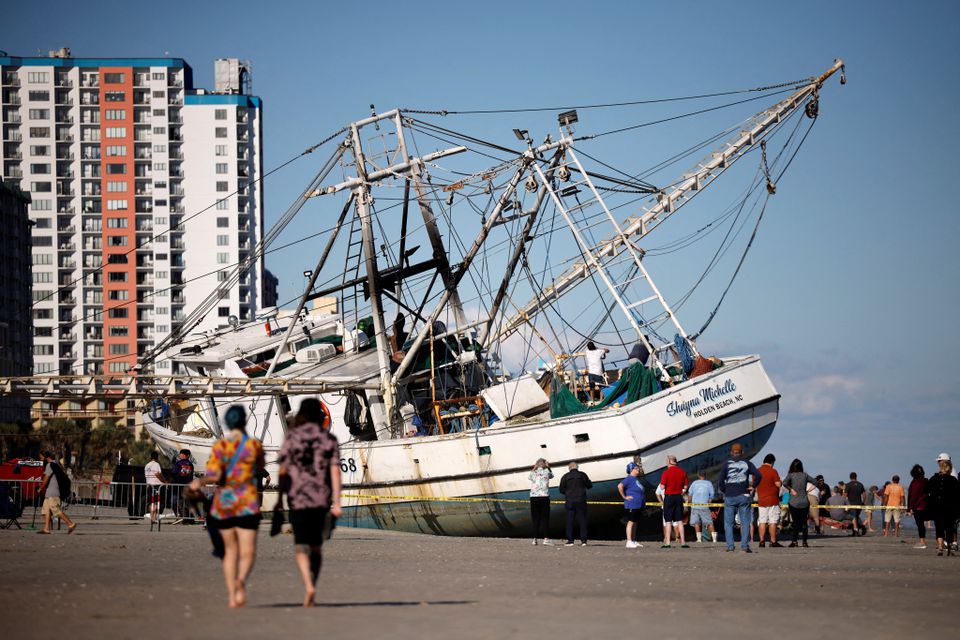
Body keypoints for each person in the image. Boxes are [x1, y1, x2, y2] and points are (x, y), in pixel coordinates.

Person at [189, 405, 265, 608]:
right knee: (248, 551)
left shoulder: (220, 446)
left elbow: (213, 475)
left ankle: (232, 596)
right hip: (247, 503)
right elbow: (259, 468)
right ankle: (241, 581)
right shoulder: (254, 445)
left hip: (224, 505)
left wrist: (199, 482)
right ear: (244, 421)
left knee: (230, 552)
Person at [278, 398, 343, 607]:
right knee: (316, 547)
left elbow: (282, 470)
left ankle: (308, 585)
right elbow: (335, 471)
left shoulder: (292, 438)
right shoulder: (329, 439)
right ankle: (314, 580)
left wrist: (279, 499)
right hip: (321, 500)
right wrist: (337, 503)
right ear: (320, 415)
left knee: (300, 546)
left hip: (297, 499)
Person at [718, 443, 761, 552]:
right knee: (745, 522)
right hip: (743, 495)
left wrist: (725, 491)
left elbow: (720, 482)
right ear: (742, 452)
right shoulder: (747, 463)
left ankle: (730, 547)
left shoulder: (726, 464)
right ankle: (745, 546)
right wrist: (753, 486)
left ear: (731, 453)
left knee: (728, 523)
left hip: (730, 496)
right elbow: (759, 475)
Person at [925, 453, 959, 556]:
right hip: (949, 507)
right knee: (949, 526)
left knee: (939, 527)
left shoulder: (934, 478)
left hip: (936, 506)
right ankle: (949, 546)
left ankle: (940, 547)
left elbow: (926, 489)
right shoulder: (953, 480)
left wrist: (931, 498)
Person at [36, 451, 76, 535]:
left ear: (46, 457)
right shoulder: (55, 465)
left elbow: (46, 479)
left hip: (53, 492)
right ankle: (46, 529)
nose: (40, 459)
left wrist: (40, 488)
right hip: (49, 492)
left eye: (41, 458)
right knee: (46, 510)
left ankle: (70, 524)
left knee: (55, 510)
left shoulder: (50, 465)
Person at [781, 459, 817, 548]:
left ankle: (794, 541)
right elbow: (816, 482)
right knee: (804, 522)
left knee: (796, 523)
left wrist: (791, 489)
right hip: (804, 501)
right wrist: (808, 490)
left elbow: (784, 483)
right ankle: (804, 542)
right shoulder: (805, 475)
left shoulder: (791, 475)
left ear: (792, 466)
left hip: (794, 502)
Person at [658, 454, 688, 548]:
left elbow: (662, 487)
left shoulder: (666, 473)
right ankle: (683, 542)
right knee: (679, 520)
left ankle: (667, 543)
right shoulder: (683, 472)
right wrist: (681, 493)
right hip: (679, 497)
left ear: (669, 462)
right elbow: (686, 487)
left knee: (668, 521)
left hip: (669, 497)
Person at [559, 461, 592, 546]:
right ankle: (583, 541)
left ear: (569, 468)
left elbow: (561, 490)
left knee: (569, 521)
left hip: (570, 501)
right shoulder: (582, 475)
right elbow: (589, 486)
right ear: (577, 467)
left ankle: (570, 541)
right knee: (582, 520)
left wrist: (568, 493)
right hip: (581, 500)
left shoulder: (565, 476)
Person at [755, 453, 783, 548]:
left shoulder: (757, 471)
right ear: (772, 462)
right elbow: (778, 484)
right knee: (772, 521)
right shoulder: (773, 471)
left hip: (761, 500)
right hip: (772, 500)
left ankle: (761, 541)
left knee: (762, 521)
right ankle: (773, 541)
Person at [618, 462, 645, 548]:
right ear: (631, 470)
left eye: (638, 468)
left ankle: (633, 540)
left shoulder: (635, 479)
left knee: (635, 522)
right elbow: (620, 486)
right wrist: (624, 497)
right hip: (632, 504)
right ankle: (629, 541)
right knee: (631, 522)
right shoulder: (629, 478)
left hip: (638, 504)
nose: (638, 469)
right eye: (636, 468)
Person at [529, 458, 554, 546]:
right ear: (544, 464)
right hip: (544, 497)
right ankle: (546, 538)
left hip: (533, 497)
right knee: (545, 518)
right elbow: (552, 476)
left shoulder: (533, 473)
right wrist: (548, 467)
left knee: (535, 518)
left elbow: (529, 477)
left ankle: (535, 539)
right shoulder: (547, 471)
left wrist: (534, 467)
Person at [687, 469, 717, 543]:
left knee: (696, 523)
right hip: (704, 506)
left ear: (698, 475)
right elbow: (712, 495)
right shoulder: (709, 483)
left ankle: (699, 539)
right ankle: (714, 539)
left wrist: (689, 502)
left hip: (695, 506)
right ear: (705, 475)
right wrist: (709, 501)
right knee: (709, 523)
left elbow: (690, 495)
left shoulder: (694, 483)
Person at [907, 464, 929, 549]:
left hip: (919, 506)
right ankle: (941, 543)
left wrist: (910, 508)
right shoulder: (926, 481)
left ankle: (922, 542)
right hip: (927, 505)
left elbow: (913, 496)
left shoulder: (916, 482)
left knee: (920, 525)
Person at [171, 449, 195, 519]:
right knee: (186, 503)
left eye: (180, 454)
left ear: (183, 455)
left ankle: (179, 516)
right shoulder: (191, 465)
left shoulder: (178, 463)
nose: (180, 455)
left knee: (174, 502)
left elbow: (173, 474)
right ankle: (187, 518)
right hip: (187, 487)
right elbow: (190, 477)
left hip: (178, 487)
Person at [144, 450, 167, 524]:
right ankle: (155, 517)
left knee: (151, 502)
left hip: (149, 485)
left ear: (150, 457)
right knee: (157, 502)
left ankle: (152, 518)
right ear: (157, 457)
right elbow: (158, 474)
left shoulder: (147, 465)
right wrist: (165, 481)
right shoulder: (156, 464)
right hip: (157, 486)